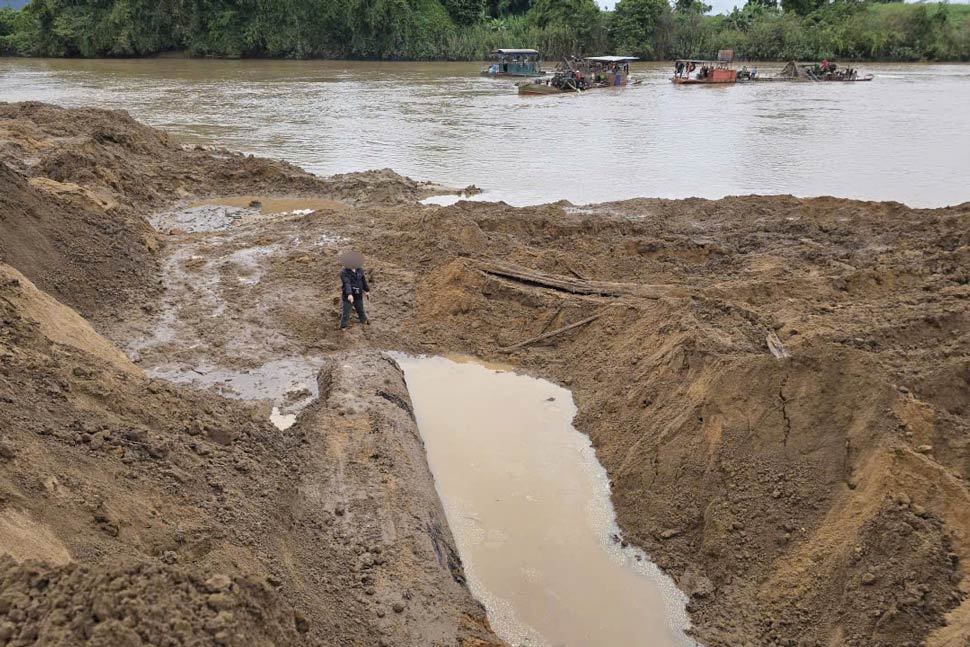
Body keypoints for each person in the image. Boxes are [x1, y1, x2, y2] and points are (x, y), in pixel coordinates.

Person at [338, 251, 370, 330]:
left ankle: (363, 320)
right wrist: (349, 294)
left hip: (358, 293)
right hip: (348, 296)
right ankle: (343, 326)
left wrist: (366, 290)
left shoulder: (360, 269)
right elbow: (347, 283)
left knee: (360, 309)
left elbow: (363, 280)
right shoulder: (344, 272)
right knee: (346, 312)